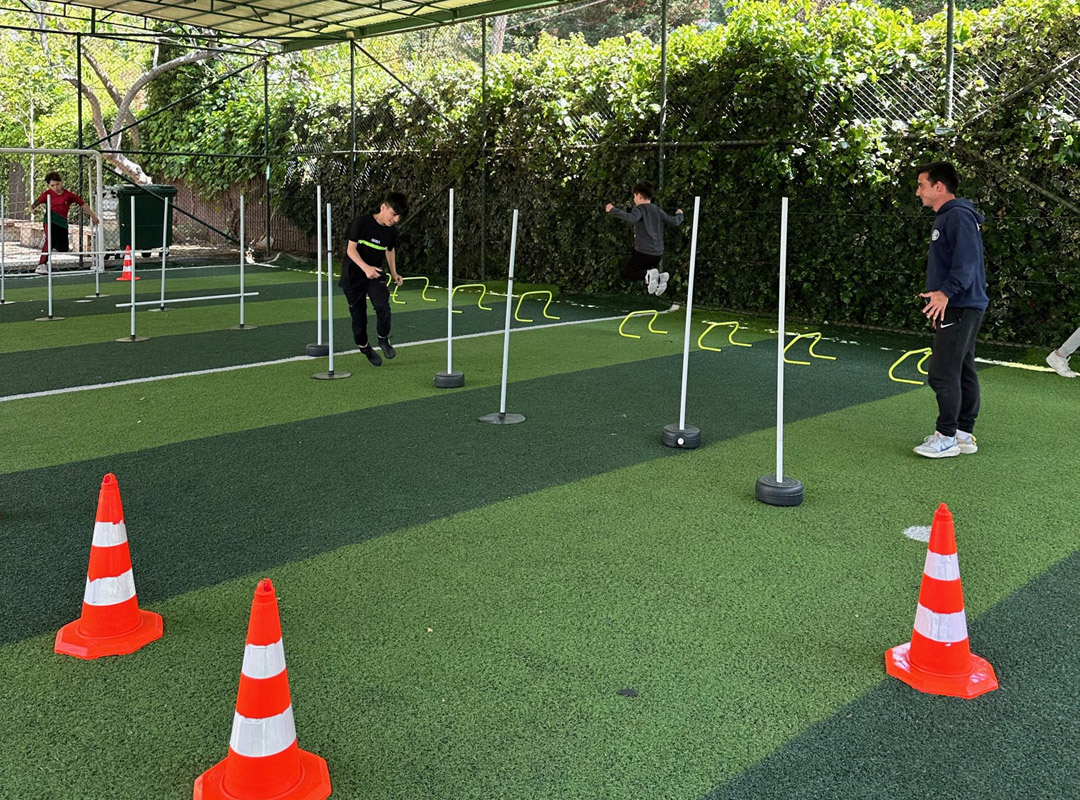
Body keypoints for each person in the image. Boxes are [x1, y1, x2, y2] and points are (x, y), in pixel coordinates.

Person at [912, 162, 989, 459]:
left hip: (960, 304)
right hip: (960, 304)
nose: (918, 192)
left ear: (939, 187)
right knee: (962, 367)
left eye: (922, 185)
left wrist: (945, 294)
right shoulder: (951, 216)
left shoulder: (957, 216)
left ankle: (946, 436)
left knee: (942, 372)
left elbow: (967, 263)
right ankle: (962, 433)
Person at [340, 191, 408, 367]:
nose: (395, 220)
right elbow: (351, 250)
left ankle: (383, 339)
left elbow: (390, 250)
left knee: (382, 306)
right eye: (393, 214)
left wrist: (394, 273)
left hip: (375, 274)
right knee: (359, 318)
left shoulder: (391, 232)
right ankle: (365, 348)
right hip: (353, 275)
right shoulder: (361, 223)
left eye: (398, 217)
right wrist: (365, 268)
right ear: (383, 207)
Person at [605, 181, 683, 296]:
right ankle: (659, 279)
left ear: (639, 196)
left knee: (627, 273)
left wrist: (613, 210)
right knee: (648, 273)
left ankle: (649, 275)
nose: (634, 199)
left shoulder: (640, 208)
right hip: (658, 253)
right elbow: (674, 221)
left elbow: (632, 218)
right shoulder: (657, 210)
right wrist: (680, 214)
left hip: (643, 252)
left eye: (634, 196)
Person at [30, 171, 99, 274]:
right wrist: (32, 210)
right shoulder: (47, 194)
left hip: (62, 223)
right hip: (50, 220)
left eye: (57, 184)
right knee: (50, 240)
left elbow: (83, 204)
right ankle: (41, 265)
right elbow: (32, 206)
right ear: (49, 185)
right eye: (52, 185)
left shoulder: (68, 195)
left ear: (61, 183)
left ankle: (50, 243)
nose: (55, 187)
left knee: (63, 247)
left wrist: (93, 216)